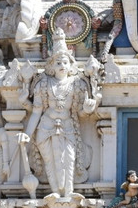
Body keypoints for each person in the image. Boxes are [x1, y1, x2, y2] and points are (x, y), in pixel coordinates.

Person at [23, 28, 98, 198]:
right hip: (46, 125)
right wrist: (27, 134)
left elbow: (79, 111)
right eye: (58, 63)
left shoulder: (77, 83)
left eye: (65, 62)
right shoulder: (44, 83)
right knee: (50, 160)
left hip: (67, 125)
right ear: (51, 65)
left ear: (70, 64)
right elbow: (36, 111)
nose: (62, 66)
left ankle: (69, 192)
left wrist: (87, 109)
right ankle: (56, 192)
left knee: (68, 159)